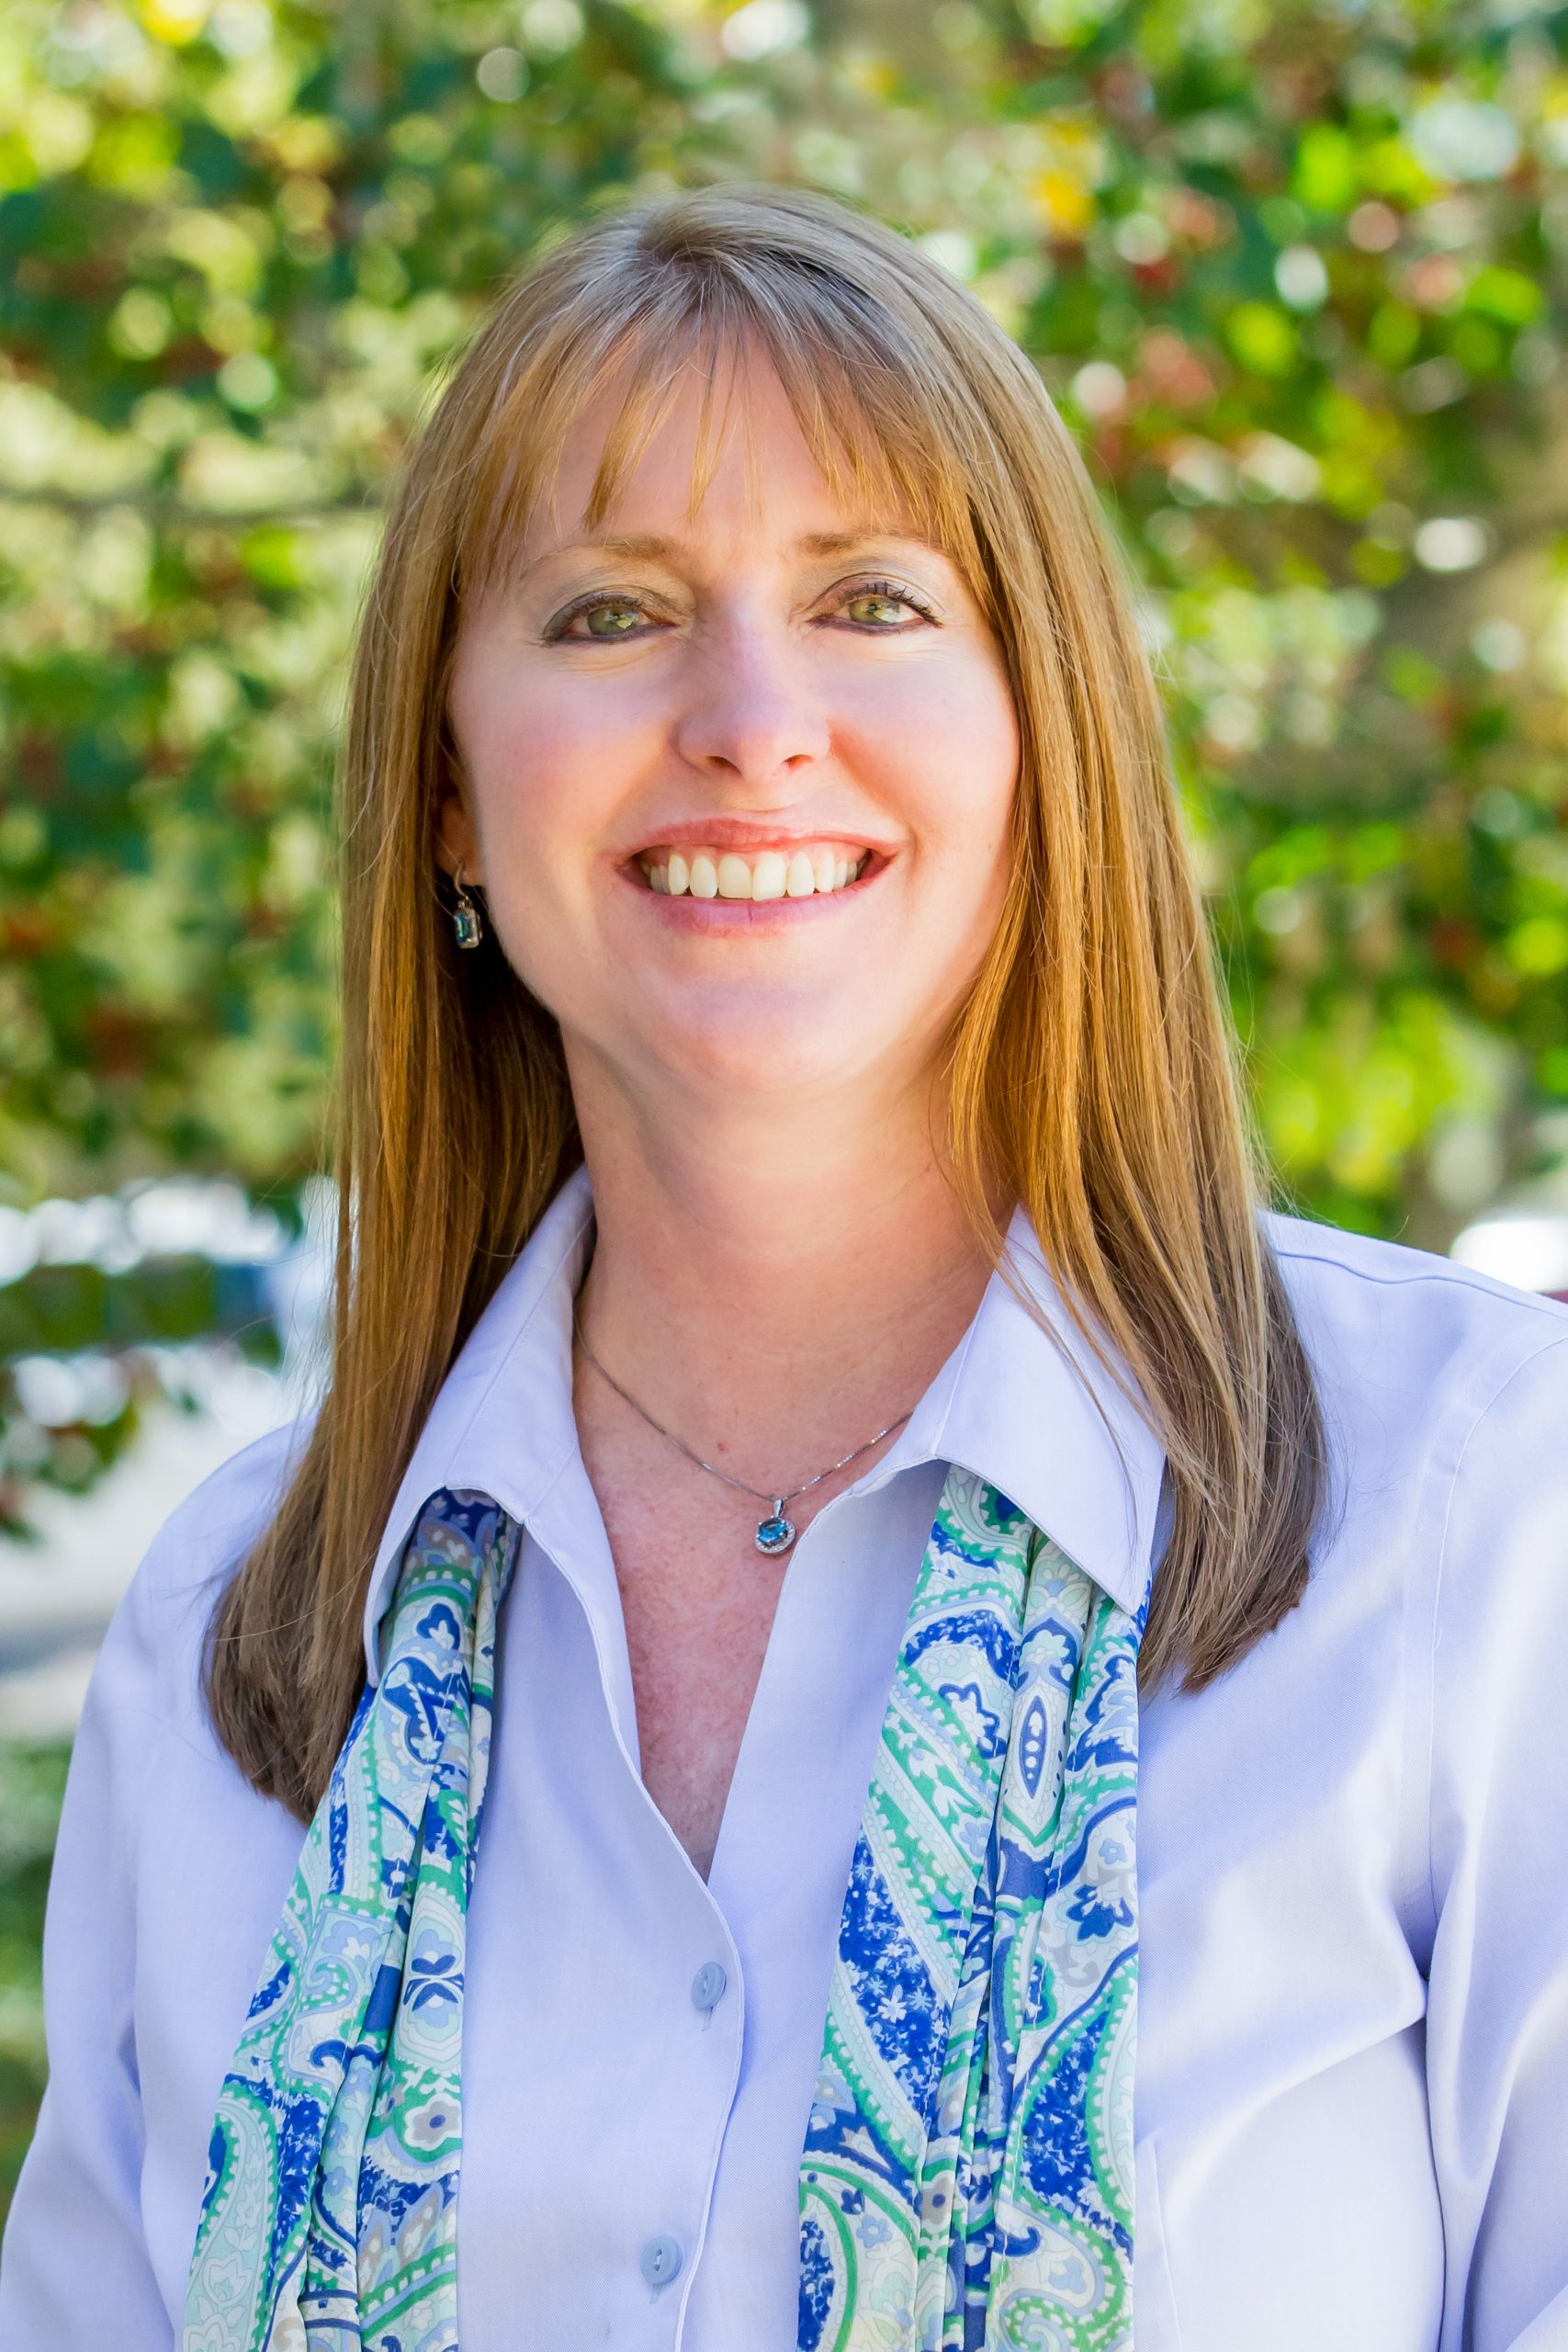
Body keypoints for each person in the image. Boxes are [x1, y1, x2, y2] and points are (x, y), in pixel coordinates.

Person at [2, 184, 1566, 2352]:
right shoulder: (233, 1634)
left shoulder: (1478, 1503)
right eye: (609, 613)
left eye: (869, 599)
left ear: (1041, 737)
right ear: (450, 790)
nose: (750, 716)